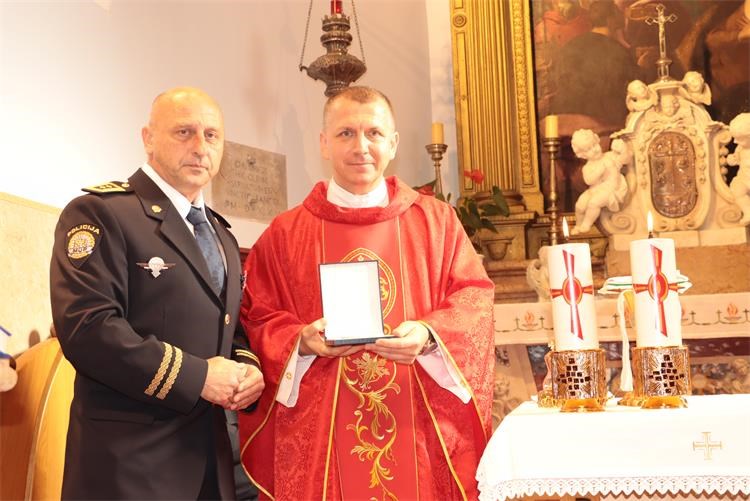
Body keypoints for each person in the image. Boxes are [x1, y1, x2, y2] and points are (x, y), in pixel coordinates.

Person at [237, 86, 495, 500]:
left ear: (393, 143)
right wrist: (300, 341)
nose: (361, 147)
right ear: (324, 143)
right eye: (346, 133)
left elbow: (474, 296)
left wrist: (429, 336)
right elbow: (256, 316)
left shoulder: (436, 222)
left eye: (374, 133)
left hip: (417, 422)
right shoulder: (286, 234)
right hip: (323, 430)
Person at [50, 86, 264, 500]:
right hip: (131, 467)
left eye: (212, 135)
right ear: (148, 139)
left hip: (214, 462)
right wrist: (199, 377)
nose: (200, 147)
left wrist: (247, 370)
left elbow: (229, 328)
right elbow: (88, 328)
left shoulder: (221, 234)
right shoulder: (102, 213)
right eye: (184, 132)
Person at [570, 130, 630, 234]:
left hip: (612, 189)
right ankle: (578, 224)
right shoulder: (587, 167)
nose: (594, 150)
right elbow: (589, 181)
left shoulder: (610, 156)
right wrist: (599, 170)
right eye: (588, 149)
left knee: (594, 203)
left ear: (598, 141)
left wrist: (623, 149)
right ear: (582, 155)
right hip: (594, 189)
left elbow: (625, 160)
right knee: (580, 205)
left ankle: (586, 224)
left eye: (594, 145)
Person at [728, 113, 750, 225]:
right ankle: (748, 211)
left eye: (740, 139)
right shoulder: (740, 147)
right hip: (744, 178)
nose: (735, 142)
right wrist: (732, 159)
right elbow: (735, 159)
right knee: (737, 189)